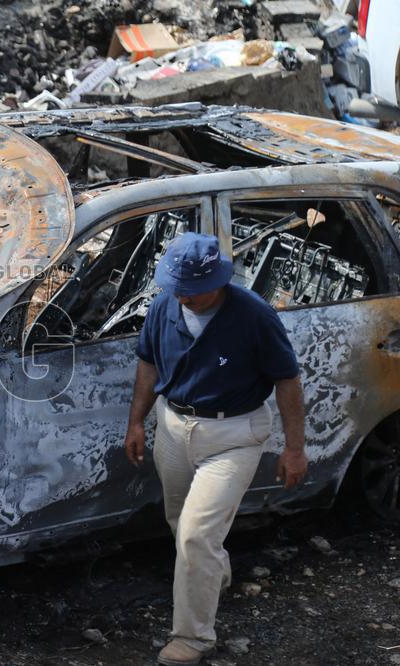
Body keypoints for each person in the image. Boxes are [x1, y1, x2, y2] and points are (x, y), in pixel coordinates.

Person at [123, 232, 307, 666]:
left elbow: (287, 380)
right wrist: (136, 421)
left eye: (192, 290)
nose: (183, 297)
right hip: (174, 426)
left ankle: (193, 638)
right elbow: (148, 362)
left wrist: (295, 448)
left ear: (219, 281)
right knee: (179, 521)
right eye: (177, 287)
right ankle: (210, 572)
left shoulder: (253, 315)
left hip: (234, 435)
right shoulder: (165, 305)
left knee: (196, 534)